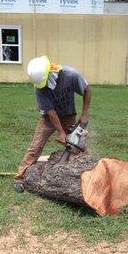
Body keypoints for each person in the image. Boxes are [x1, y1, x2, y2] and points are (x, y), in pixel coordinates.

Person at [13, 55, 91, 193]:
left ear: (50, 71)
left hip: (68, 114)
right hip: (48, 118)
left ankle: (87, 174)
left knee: (76, 144)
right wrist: (60, 132)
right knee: (36, 145)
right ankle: (20, 178)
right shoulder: (39, 88)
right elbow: (51, 111)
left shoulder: (71, 75)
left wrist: (84, 113)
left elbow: (86, 90)